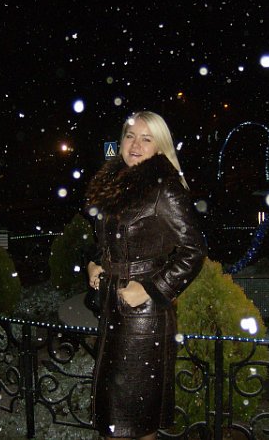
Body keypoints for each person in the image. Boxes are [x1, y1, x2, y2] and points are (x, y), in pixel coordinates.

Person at [85, 111, 207, 440]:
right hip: (113, 309)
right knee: (113, 417)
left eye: (146, 138)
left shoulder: (164, 189)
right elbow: (108, 243)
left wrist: (151, 289)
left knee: (136, 420)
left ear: (159, 146)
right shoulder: (115, 186)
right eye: (130, 136)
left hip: (144, 317)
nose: (135, 144)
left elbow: (194, 250)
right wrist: (95, 264)